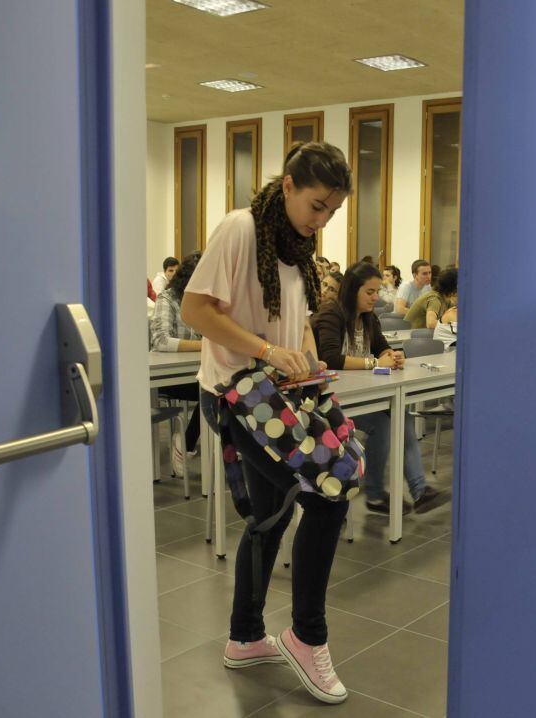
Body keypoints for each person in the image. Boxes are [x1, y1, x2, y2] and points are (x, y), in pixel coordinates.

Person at [181, 141, 352, 705]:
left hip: (275, 395)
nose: (322, 220)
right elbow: (196, 310)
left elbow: (294, 324)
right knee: (327, 500)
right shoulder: (241, 228)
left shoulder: (296, 247)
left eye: (332, 212)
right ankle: (307, 636)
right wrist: (266, 351)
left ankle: (245, 636)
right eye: (317, 206)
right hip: (236, 396)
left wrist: (303, 354)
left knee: (269, 518)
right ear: (287, 187)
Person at [312, 262, 448, 515]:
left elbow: (382, 347)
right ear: (353, 290)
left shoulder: (368, 317)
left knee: (402, 417)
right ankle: (375, 494)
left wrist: (392, 355)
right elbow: (330, 357)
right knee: (383, 425)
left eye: (377, 291)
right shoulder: (333, 313)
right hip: (330, 399)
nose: (376, 297)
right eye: (370, 292)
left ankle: (419, 491)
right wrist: (375, 362)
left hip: (361, 394)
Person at [150, 252, 204, 476]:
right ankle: (186, 442)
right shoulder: (167, 299)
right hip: (167, 377)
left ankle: (188, 442)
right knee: (212, 390)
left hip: (195, 372)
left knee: (219, 388)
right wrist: (204, 346)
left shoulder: (204, 302)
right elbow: (161, 340)